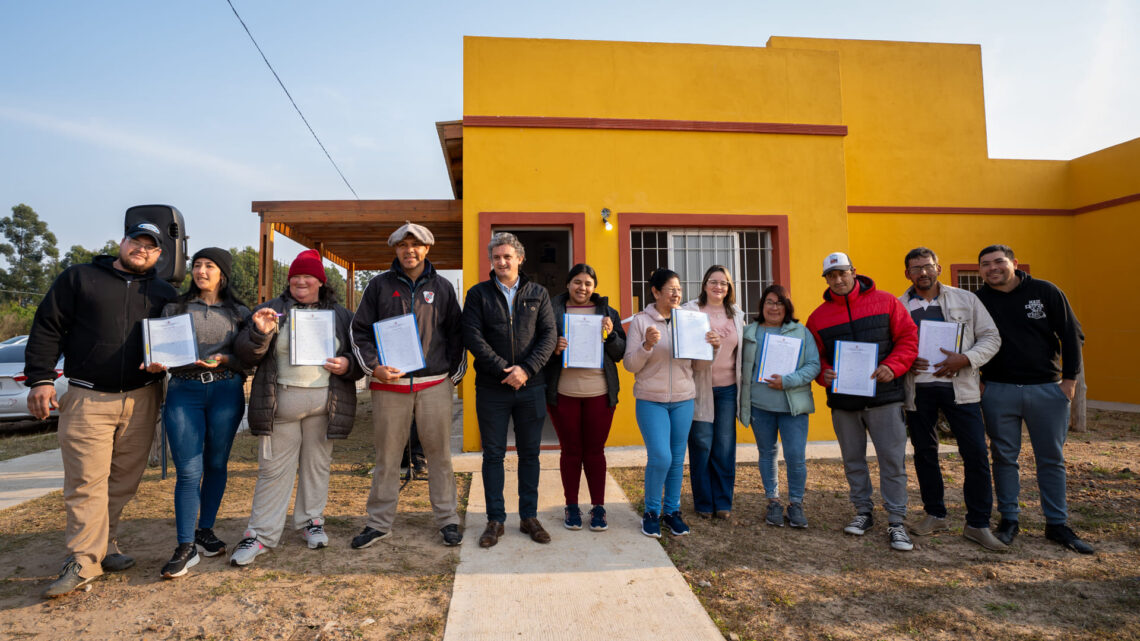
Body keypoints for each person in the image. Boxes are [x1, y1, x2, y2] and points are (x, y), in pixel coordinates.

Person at [26, 222, 177, 597]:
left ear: (160, 255)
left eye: (150, 246)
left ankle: (104, 545)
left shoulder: (163, 292)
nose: (141, 249)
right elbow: (47, 326)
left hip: (143, 398)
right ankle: (82, 560)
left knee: (123, 481)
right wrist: (41, 379)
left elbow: (174, 340)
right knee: (86, 481)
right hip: (88, 398)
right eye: (135, 242)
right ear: (121, 243)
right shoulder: (79, 278)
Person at [228, 249, 364, 566]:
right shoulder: (271, 311)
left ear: (320, 280)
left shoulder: (340, 315)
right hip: (281, 405)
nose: (301, 281)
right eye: (295, 277)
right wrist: (259, 333)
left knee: (317, 468)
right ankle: (260, 535)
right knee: (273, 471)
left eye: (308, 276)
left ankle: (311, 522)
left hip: (324, 404)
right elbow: (246, 355)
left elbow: (360, 355)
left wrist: (347, 364)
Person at [349, 222, 466, 549]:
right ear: (395, 249)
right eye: (403, 245)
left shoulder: (442, 287)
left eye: (416, 245)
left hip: (434, 384)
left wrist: (451, 377)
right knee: (387, 456)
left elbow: (457, 334)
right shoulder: (378, 287)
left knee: (439, 455)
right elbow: (359, 332)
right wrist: (374, 367)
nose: (409, 251)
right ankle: (379, 523)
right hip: (390, 385)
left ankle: (447, 520)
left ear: (427, 249)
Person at [974, 244, 1094, 554]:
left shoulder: (1045, 292)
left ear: (1014, 263)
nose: (992, 268)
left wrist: (1069, 382)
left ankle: (1057, 524)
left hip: (1047, 389)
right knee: (1003, 457)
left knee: (1051, 459)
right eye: (985, 264)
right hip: (998, 390)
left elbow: (1072, 335)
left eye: (998, 261)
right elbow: (968, 341)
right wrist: (978, 380)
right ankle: (1009, 520)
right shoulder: (978, 300)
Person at [147, 248, 252, 578]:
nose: (201, 270)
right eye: (197, 265)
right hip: (184, 392)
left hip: (226, 391)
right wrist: (155, 363)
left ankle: (205, 531)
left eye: (209, 266)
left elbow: (249, 359)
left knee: (217, 464)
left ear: (223, 273)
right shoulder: (174, 308)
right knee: (189, 471)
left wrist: (224, 361)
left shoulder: (239, 312)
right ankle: (184, 545)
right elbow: (158, 349)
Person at [805, 252, 918, 551]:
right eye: (831, 275)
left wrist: (892, 366)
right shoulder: (818, 317)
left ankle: (896, 521)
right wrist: (823, 374)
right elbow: (815, 357)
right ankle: (863, 512)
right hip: (844, 402)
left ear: (854, 272)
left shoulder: (886, 302)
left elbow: (908, 338)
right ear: (826, 279)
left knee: (892, 461)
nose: (838, 279)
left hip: (885, 398)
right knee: (853, 460)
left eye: (842, 273)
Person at [898, 247, 1005, 551]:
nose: (922, 272)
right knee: (925, 452)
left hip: (961, 388)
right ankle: (935, 513)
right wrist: (905, 360)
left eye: (927, 266)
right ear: (907, 273)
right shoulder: (899, 305)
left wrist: (967, 358)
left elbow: (991, 337)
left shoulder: (966, 300)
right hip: (918, 390)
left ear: (938, 268)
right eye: (916, 268)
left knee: (975, 454)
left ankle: (978, 524)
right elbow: (891, 345)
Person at [462, 232, 557, 547]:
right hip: (492, 388)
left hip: (532, 387)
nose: (502, 262)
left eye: (507, 256)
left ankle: (529, 516)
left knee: (530, 454)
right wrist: (506, 369)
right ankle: (495, 520)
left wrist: (526, 370)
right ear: (491, 261)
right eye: (496, 257)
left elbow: (548, 336)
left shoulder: (538, 294)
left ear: (519, 258)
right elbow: (473, 336)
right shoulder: (478, 295)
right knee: (493, 455)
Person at [624, 268, 720, 538]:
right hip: (650, 400)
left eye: (679, 289)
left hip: (683, 399)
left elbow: (700, 366)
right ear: (655, 292)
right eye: (671, 289)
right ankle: (651, 512)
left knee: (677, 459)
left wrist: (713, 347)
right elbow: (630, 364)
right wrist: (646, 345)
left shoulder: (690, 321)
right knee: (660, 456)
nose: (677, 293)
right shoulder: (642, 322)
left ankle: (672, 511)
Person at [544, 263, 626, 532]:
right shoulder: (553, 310)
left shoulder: (607, 312)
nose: (582, 288)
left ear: (594, 287)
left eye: (588, 283)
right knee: (570, 452)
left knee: (594, 452)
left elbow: (619, 353)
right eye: (577, 282)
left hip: (599, 393)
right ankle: (571, 505)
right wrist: (554, 348)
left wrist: (610, 334)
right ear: (568, 284)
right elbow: (538, 347)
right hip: (564, 393)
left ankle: (599, 507)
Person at [739, 285, 820, 528]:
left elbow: (813, 365)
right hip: (760, 406)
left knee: (795, 456)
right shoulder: (749, 332)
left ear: (787, 307)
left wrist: (788, 381)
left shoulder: (801, 332)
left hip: (792, 407)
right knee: (767, 454)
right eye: (769, 302)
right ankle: (772, 501)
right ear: (761, 306)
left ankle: (796, 503)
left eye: (780, 303)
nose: (774, 307)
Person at [683, 265, 744, 520]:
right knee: (701, 443)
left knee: (725, 446)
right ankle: (704, 502)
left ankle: (723, 502)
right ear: (705, 284)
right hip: (700, 387)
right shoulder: (691, 310)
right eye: (713, 281)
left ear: (729, 288)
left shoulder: (737, 315)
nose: (718, 287)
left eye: (724, 283)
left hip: (728, 389)